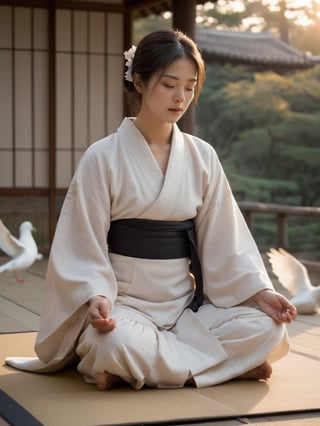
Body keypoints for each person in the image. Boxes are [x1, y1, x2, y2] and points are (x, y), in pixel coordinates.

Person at [5, 29, 297, 390]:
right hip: (124, 307)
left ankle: (134, 370)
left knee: (267, 327)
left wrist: (259, 292)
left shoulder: (202, 156)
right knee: (111, 340)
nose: (181, 97)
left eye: (190, 87)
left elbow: (226, 239)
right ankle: (217, 367)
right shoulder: (103, 157)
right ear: (139, 82)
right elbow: (82, 243)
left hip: (185, 308)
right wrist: (96, 295)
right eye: (169, 84)